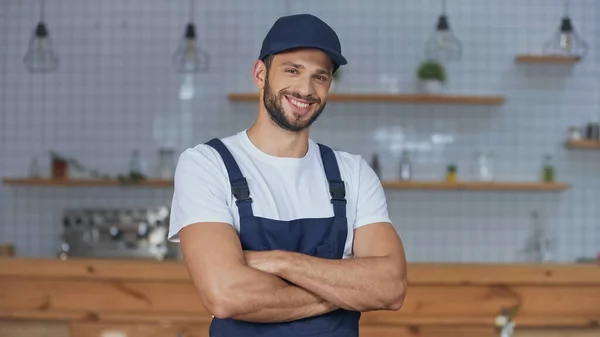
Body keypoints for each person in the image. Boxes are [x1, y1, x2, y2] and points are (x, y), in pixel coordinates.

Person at [168, 13, 407, 337]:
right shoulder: (207, 165)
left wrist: (281, 263)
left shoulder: (353, 173)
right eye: (293, 70)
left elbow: (390, 286)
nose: (305, 89)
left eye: (319, 77)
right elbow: (225, 295)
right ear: (260, 74)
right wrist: (346, 291)